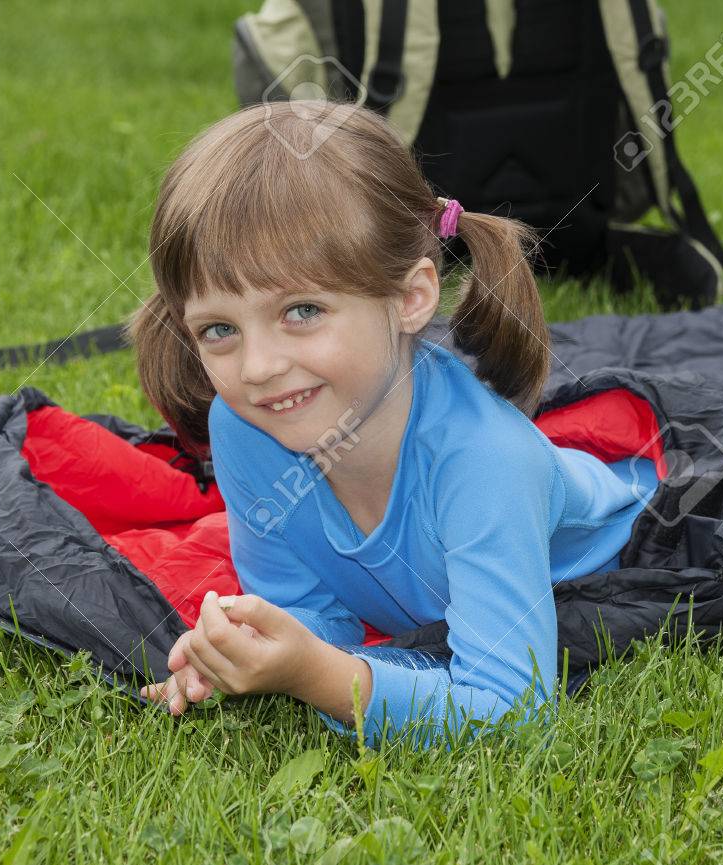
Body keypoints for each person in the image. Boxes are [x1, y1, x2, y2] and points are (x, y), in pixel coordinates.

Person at [128, 101, 661, 749]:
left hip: (626, 548)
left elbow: (514, 712)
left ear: (411, 299)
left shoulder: (486, 462)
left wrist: (315, 675)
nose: (258, 367)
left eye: (302, 311)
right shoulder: (245, 428)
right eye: (220, 329)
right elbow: (309, 610)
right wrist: (249, 647)